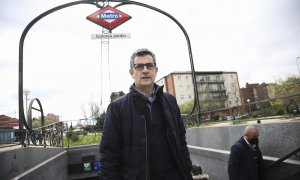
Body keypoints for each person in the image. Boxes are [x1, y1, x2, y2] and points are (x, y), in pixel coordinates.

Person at [100, 48, 193, 180]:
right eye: (139, 66)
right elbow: (109, 155)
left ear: (156, 70)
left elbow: (181, 141)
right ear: (131, 72)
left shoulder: (170, 101)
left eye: (149, 65)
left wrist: (187, 172)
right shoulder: (117, 108)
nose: (145, 70)